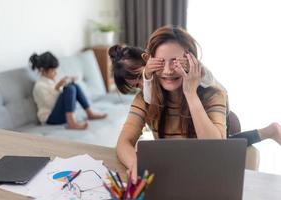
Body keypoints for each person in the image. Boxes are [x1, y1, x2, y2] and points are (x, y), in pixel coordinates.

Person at [113, 26, 281, 179]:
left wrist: (190, 94)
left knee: (228, 142)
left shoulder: (211, 90)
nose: (168, 70)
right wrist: (136, 166)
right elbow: (123, 142)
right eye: (161, 61)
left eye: (175, 61)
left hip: (208, 164)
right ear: (150, 60)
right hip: (175, 172)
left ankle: (271, 131)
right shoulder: (145, 96)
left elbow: (216, 150)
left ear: (190, 59)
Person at [30, 51, 107, 130]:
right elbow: (52, 104)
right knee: (69, 88)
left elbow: (61, 97)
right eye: (53, 71)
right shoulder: (39, 86)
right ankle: (71, 123)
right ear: (43, 70)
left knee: (73, 85)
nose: (55, 73)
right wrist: (58, 86)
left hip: (60, 114)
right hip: (50, 118)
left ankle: (90, 113)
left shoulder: (51, 81)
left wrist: (66, 82)